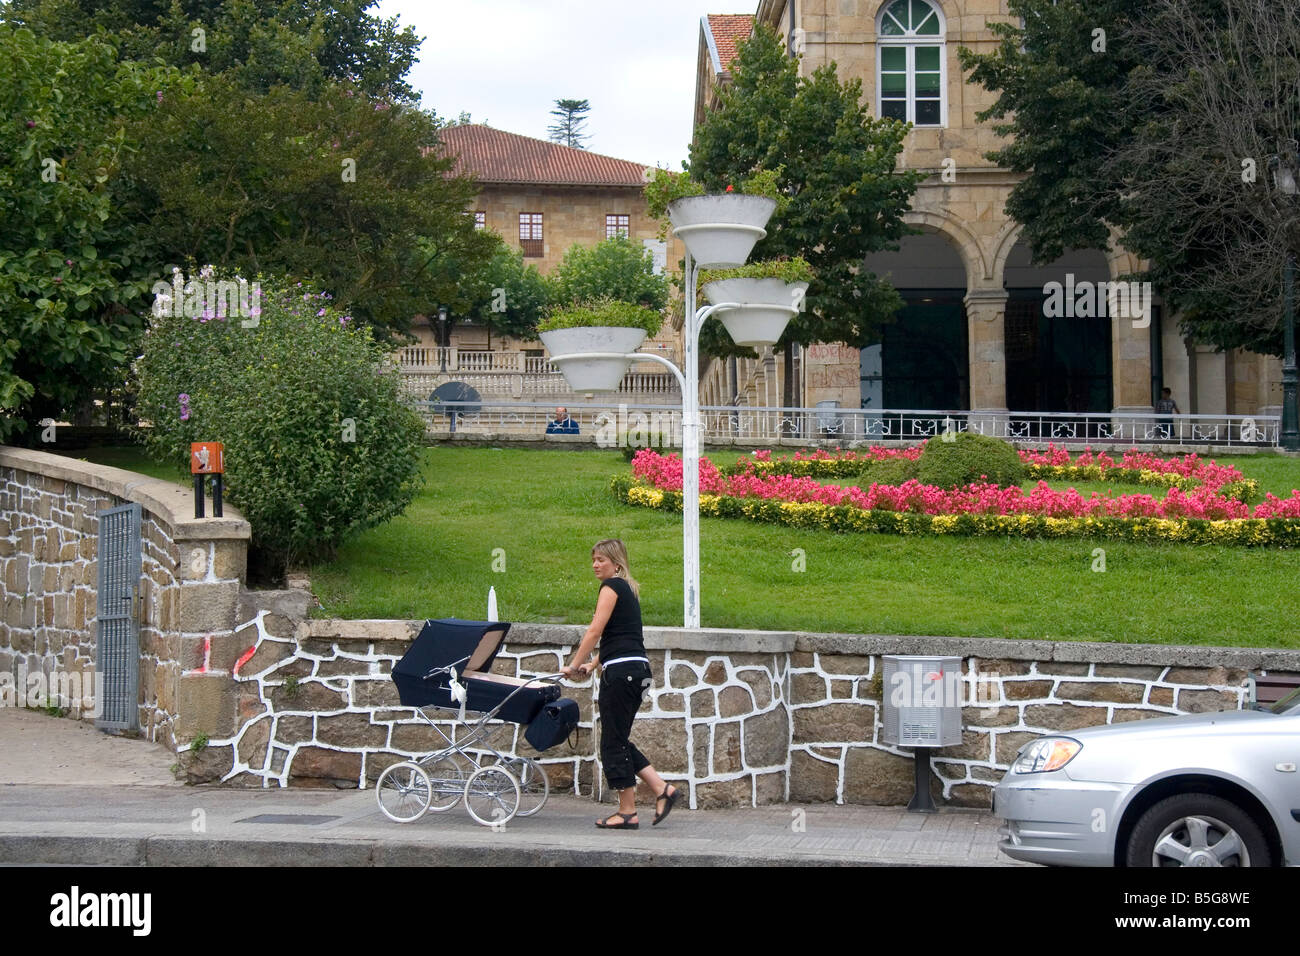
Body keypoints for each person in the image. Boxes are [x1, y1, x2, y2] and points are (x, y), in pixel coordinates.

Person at [561, 539, 680, 829]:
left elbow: (595, 630)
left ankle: (627, 811)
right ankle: (662, 789)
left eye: (601, 559)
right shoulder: (627, 590)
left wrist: (575, 664)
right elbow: (620, 636)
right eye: (593, 559)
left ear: (616, 563)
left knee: (612, 742)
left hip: (623, 675)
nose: (595, 564)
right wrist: (594, 663)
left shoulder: (611, 587)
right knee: (619, 738)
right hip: (635, 672)